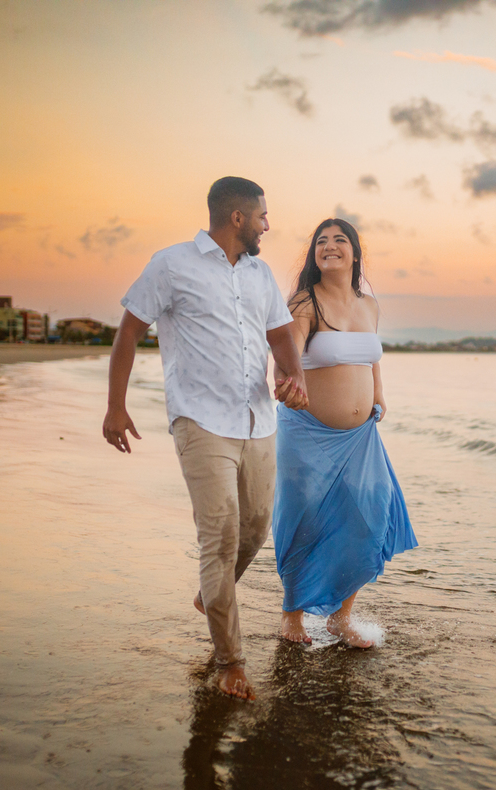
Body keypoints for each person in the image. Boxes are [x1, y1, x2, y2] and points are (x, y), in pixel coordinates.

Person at [102, 177, 308, 699]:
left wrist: (294, 376)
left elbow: (280, 334)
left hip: (258, 420)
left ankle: (209, 594)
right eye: (262, 215)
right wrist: (115, 406)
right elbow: (129, 330)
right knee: (219, 536)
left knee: (256, 529)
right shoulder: (171, 264)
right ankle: (230, 661)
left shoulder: (260, 274)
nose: (268, 224)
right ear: (237, 217)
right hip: (199, 420)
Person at [273, 218, 417, 648]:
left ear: (355, 253)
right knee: (305, 520)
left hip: (361, 435)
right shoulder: (304, 302)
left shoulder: (368, 304)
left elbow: (371, 356)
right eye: (321, 241)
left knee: (372, 512)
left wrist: (379, 392)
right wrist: (287, 381)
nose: (329, 246)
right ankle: (292, 615)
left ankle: (341, 617)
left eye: (339, 240)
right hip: (308, 431)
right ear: (314, 254)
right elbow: (288, 353)